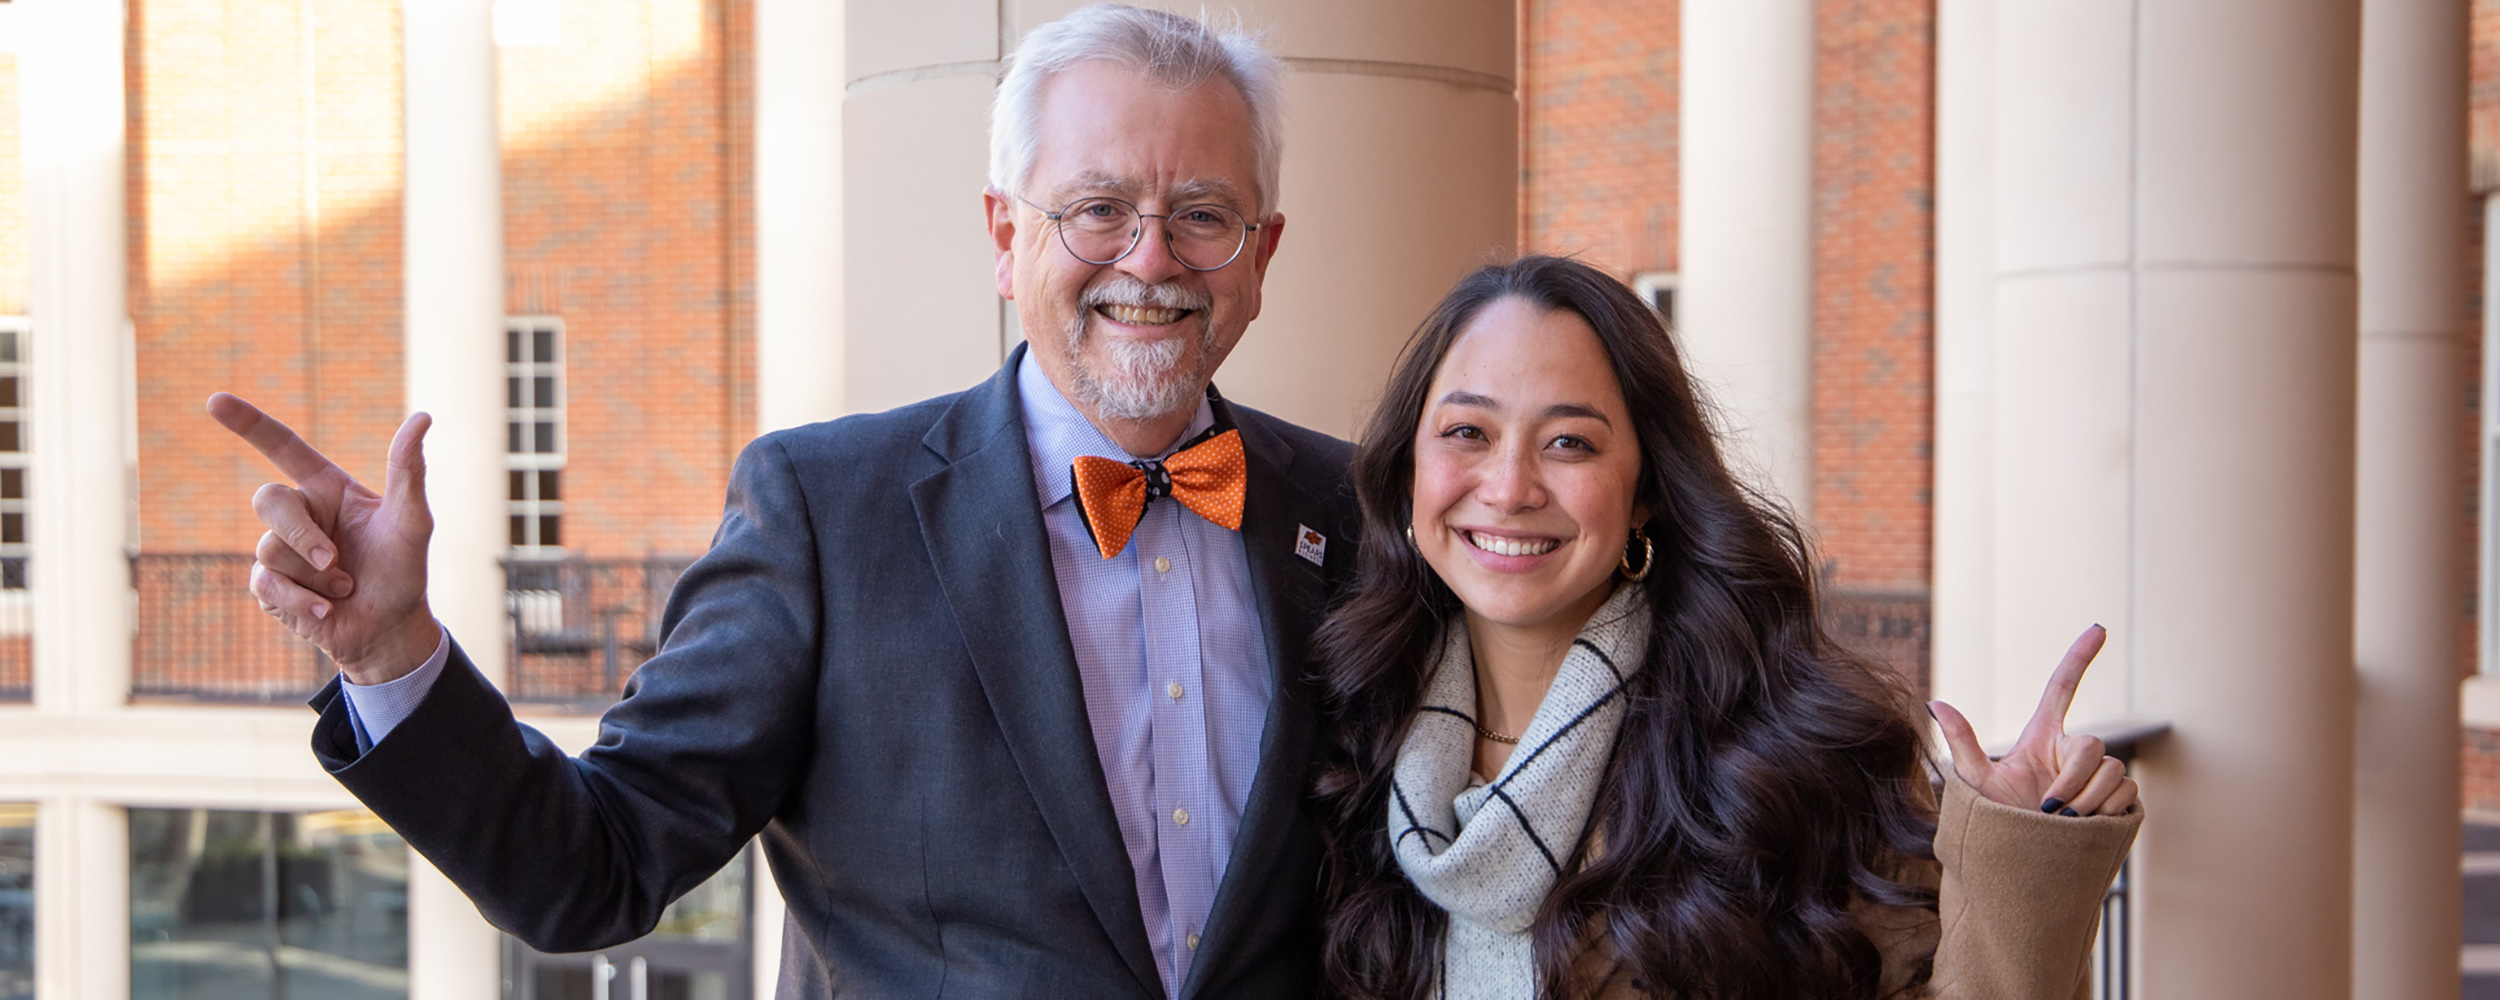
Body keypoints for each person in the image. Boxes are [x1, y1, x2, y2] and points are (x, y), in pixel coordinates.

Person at [207, 6, 1361, 997]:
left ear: (1260, 252)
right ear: (1008, 236)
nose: (1150, 258)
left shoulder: (1356, 513)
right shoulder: (827, 511)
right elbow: (592, 868)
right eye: (1097, 207)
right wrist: (392, 654)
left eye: (1202, 215)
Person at [1312, 256, 2141, 1000]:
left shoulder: (1790, 762)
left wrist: (2016, 869)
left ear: (1644, 493)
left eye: (1569, 442)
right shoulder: (1352, 741)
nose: (1509, 486)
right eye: (1468, 433)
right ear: (1409, 470)